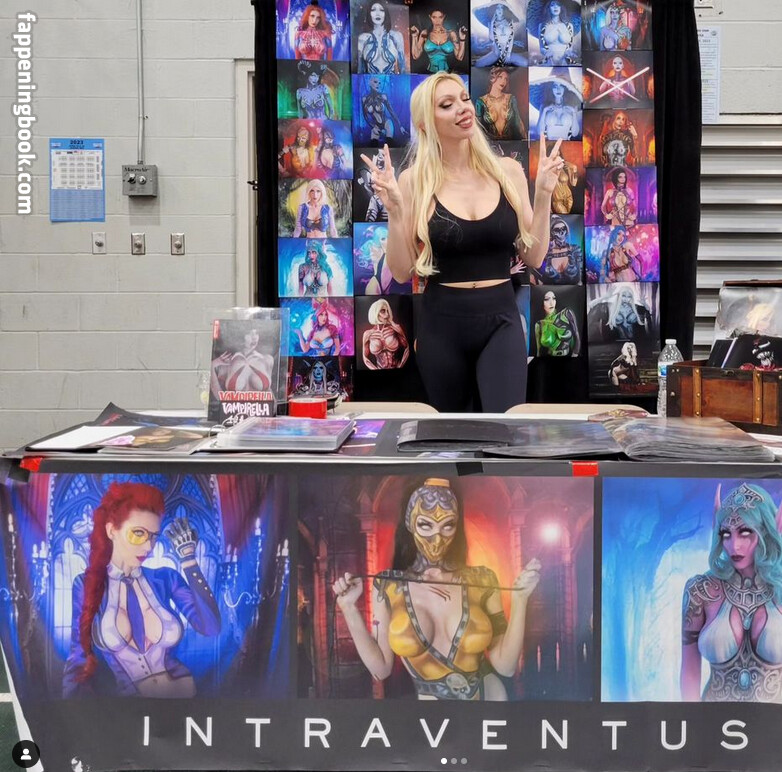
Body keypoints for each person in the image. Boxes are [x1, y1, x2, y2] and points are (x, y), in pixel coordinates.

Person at [361, 72, 563, 411]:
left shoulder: (507, 172)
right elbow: (400, 271)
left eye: (465, 99)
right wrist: (394, 211)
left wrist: (543, 194)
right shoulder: (413, 182)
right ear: (425, 124)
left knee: (505, 429)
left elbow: (535, 256)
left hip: (501, 319)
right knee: (452, 435)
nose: (463, 108)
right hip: (441, 325)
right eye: (447, 104)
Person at [332, 478, 541, 700]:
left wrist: (520, 599)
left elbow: (505, 667)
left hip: (488, 698)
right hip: (433, 711)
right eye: (426, 525)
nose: (437, 538)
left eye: (447, 525)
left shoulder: (482, 580)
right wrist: (349, 608)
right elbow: (380, 670)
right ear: (410, 523)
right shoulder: (388, 586)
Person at [63, 482, 221, 698]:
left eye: (153, 536)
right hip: (131, 709)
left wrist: (189, 562)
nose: (148, 547)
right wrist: (66, 711)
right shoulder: (86, 585)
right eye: (138, 533)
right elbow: (78, 656)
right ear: (111, 530)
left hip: (185, 698)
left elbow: (211, 627)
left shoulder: (165, 578)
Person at [681, 483, 782, 703]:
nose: (733, 545)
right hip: (712, 719)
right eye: (726, 534)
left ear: (767, 531)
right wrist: (692, 719)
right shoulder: (701, 590)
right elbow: (690, 672)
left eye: (745, 533)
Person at [211, 325, 275, 397]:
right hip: (233, 405)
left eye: (256, 333)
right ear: (240, 335)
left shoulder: (267, 359)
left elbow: (269, 393)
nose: (254, 337)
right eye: (249, 333)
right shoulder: (227, 361)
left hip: (264, 404)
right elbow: (218, 396)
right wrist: (212, 365)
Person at [356, 1, 407, 74]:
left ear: (385, 13)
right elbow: (360, 70)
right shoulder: (363, 38)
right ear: (369, 14)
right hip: (370, 80)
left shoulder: (396, 36)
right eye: (373, 10)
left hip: (392, 80)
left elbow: (403, 69)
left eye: (381, 10)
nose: (377, 14)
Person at [474, 67, 524, 141]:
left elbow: (518, 122)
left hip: (510, 142)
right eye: (500, 77)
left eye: (506, 79)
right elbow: (477, 127)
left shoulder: (511, 98)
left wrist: (525, 139)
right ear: (492, 78)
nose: (503, 81)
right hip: (490, 143)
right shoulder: (481, 101)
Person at [473, 1, 526, 67]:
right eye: (497, 8)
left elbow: (511, 38)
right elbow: (492, 38)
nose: (500, 10)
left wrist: (508, 54)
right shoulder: (491, 23)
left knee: (525, 63)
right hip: (496, 53)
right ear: (494, 9)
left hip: (508, 53)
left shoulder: (509, 21)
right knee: (478, 64)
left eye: (502, 8)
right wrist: (492, 24)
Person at [530, 216, 582, 284]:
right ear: (551, 233)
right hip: (549, 290)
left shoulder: (575, 250)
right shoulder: (544, 252)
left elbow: (581, 277)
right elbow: (536, 275)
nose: (562, 232)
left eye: (564, 228)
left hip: (574, 289)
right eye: (557, 230)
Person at [362, 298, 410, 369]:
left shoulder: (394, 329)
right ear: (375, 313)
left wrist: (400, 366)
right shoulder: (368, 334)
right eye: (383, 311)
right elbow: (365, 357)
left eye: (387, 311)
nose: (387, 315)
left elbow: (407, 348)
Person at [361, 76, 407, 145]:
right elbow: (365, 116)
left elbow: (392, 111)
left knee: (390, 143)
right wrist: (373, 127)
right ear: (369, 83)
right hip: (376, 126)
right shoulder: (365, 99)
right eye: (375, 82)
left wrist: (400, 126)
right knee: (373, 144)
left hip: (387, 123)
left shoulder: (383, 96)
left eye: (379, 83)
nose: (378, 84)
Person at [534, 289, 580, 356]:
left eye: (553, 298)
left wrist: (575, 354)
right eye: (547, 299)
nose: (551, 303)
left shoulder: (566, 313)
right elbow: (539, 350)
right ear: (541, 302)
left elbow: (576, 334)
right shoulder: (539, 324)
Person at [364, 230, 410, 294]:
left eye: (388, 237)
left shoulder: (393, 253)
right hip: (377, 284)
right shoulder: (379, 253)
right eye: (383, 239)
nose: (387, 240)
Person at [538, 1, 576, 65]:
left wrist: (568, 52)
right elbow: (541, 48)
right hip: (550, 62)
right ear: (548, 8)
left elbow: (570, 47)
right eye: (552, 5)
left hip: (565, 62)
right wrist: (546, 52)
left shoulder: (569, 26)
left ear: (561, 8)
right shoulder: (542, 26)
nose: (555, 7)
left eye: (558, 5)